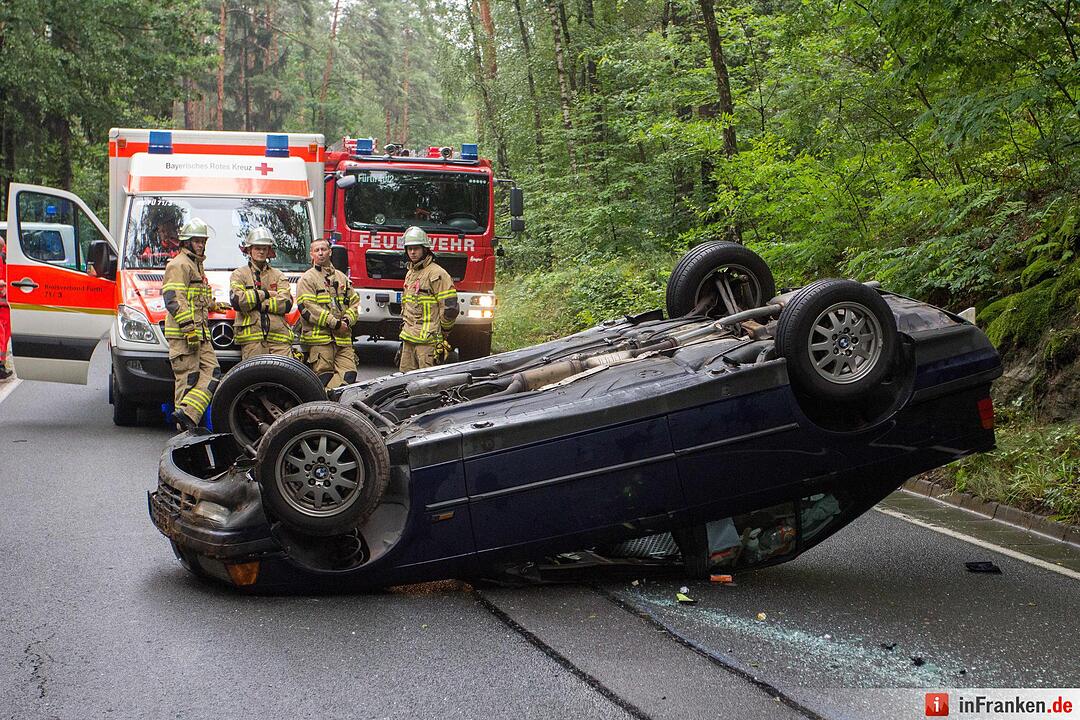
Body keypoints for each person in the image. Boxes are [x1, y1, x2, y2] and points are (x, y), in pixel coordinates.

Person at [162, 218, 227, 430]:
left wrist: (213, 305)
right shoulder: (178, 264)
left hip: (200, 333)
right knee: (188, 379)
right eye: (197, 241)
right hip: (184, 334)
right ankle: (183, 432)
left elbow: (196, 297)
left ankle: (188, 415)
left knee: (213, 372)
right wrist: (189, 328)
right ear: (186, 242)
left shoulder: (196, 264)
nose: (201, 245)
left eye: (203, 241)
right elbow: (174, 298)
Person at [296, 238, 359, 388]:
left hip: (342, 339)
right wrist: (335, 323)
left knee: (349, 375)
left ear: (330, 252)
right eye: (316, 250)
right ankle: (320, 406)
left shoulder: (342, 278)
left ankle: (330, 402)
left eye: (323, 249)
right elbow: (308, 307)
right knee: (323, 376)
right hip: (320, 340)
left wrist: (347, 321)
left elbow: (355, 303)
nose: (320, 253)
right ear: (311, 254)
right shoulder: (307, 279)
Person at [398, 226, 458, 372]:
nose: (412, 252)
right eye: (409, 248)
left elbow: (450, 308)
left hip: (428, 342)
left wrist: (444, 332)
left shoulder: (437, 274)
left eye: (416, 248)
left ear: (425, 249)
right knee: (404, 382)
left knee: (427, 383)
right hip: (409, 339)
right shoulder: (411, 272)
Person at [230, 227, 294, 360]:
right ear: (249, 250)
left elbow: (286, 304)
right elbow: (238, 301)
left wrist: (256, 303)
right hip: (251, 340)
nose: (261, 251)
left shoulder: (278, 275)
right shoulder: (239, 274)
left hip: (279, 340)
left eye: (264, 248)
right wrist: (266, 293)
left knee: (284, 378)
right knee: (254, 379)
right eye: (257, 248)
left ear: (269, 251)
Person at [0, 233, 11, 380]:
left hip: (5, 305)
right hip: (3, 305)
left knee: (4, 336)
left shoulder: (5, 255)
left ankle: (2, 365)